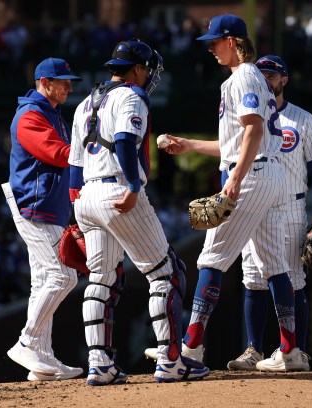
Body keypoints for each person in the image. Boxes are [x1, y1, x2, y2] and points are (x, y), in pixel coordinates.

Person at [161, 14, 306, 372]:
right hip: (269, 174)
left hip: (253, 175)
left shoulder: (242, 76)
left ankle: (191, 350)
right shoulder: (251, 77)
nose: (209, 48)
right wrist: (190, 144)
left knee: (211, 259)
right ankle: (290, 352)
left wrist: (237, 178)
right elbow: (236, 141)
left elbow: (253, 132)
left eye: (214, 42)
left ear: (233, 41)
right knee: (274, 266)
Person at [68, 39, 208, 385]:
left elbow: (73, 166)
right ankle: (171, 361)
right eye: (147, 69)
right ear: (137, 69)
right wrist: (133, 186)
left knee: (102, 278)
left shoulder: (85, 102)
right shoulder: (131, 96)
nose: (149, 76)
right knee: (167, 273)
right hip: (118, 190)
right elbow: (126, 142)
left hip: (86, 194)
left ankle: (99, 364)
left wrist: (78, 211)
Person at [225, 55, 312, 371]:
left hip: (290, 206)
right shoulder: (246, 117)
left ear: (285, 79)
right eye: (262, 74)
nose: (267, 79)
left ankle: (296, 350)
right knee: (253, 279)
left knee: (294, 280)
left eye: (273, 75)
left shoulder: (302, 120)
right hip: (253, 206)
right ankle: (254, 349)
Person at [4, 57, 84, 381]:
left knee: (43, 282)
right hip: (33, 206)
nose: (68, 86)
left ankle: (43, 360)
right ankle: (27, 341)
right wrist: (91, 150)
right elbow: (57, 153)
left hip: (49, 206)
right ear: (44, 83)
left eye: (69, 81)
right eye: (62, 81)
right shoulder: (30, 114)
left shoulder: (52, 113)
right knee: (64, 277)